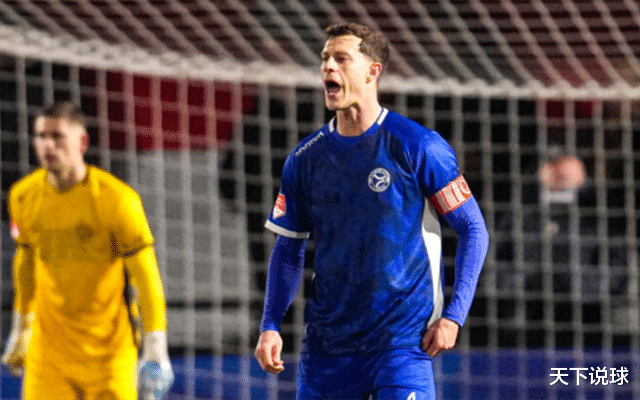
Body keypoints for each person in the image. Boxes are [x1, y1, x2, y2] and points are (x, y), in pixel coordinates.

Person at [254, 23, 489, 399]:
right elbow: (288, 247)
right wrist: (270, 324)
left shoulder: (417, 145)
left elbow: (473, 229)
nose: (328, 67)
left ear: (372, 71)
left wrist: (454, 317)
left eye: (341, 58)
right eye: (325, 59)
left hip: (403, 344)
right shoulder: (305, 159)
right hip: (327, 349)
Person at [1, 102, 174, 400]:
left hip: (110, 354)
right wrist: (21, 327)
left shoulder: (117, 200)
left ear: (82, 142)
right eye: (40, 136)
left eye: (57, 136)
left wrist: (156, 345)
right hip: (48, 356)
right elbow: (25, 264)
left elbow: (146, 277)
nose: (47, 145)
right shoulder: (22, 196)